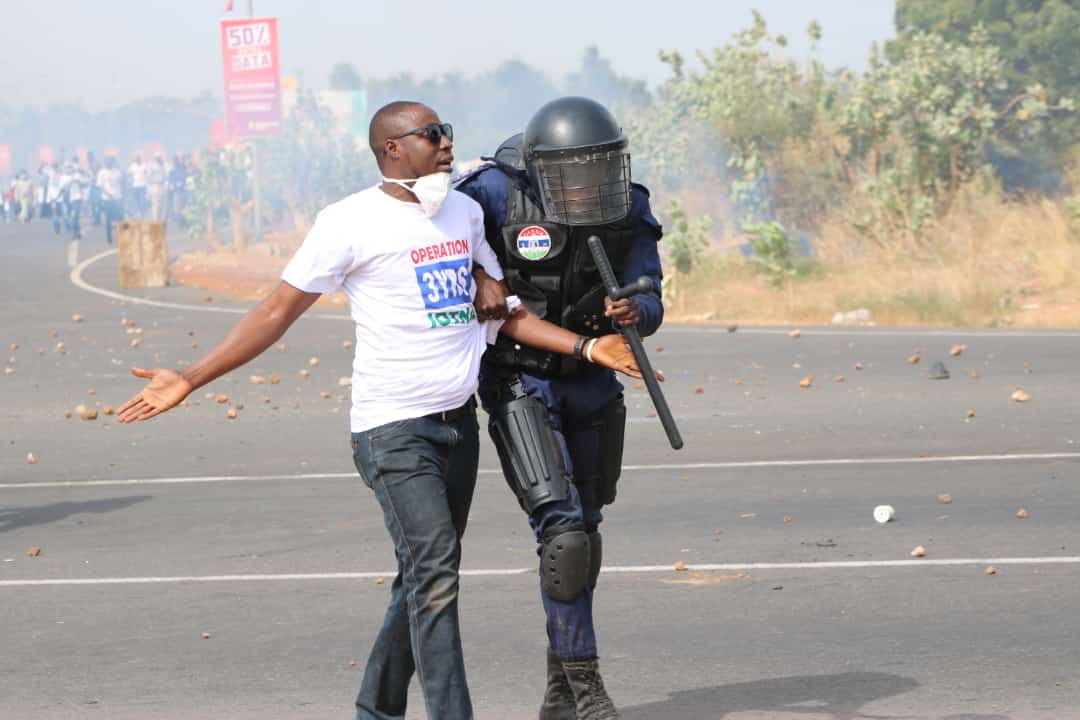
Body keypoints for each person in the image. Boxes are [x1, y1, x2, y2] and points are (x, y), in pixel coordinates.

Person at [115, 100, 648, 720]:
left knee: (421, 579)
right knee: (438, 576)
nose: (447, 143)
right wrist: (191, 376)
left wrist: (587, 345)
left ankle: (376, 708)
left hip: (457, 428)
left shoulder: (465, 213)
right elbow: (275, 313)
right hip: (392, 431)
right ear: (392, 149)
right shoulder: (349, 222)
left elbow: (506, 317)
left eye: (448, 132)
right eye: (432, 135)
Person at [456, 96, 666, 720]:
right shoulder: (492, 192)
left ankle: (559, 687)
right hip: (522, 378)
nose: (586, 186)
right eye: (572, 173)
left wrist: (636, 312)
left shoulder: (629, 206)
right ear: (540, 169)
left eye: (599, 170)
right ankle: (588, 685)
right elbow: (431, 237)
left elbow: (651, 293)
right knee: (563, 531)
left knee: (588, 529)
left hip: (593, 378)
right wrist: (477, 274)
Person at [96, 157, 124, 245]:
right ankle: (109, 238)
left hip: (117, 198)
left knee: (120, 218)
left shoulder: (117, 172)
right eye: (108, 162)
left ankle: (121, 236)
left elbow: (122, 182)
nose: (109, 163)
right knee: (108, 219)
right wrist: (108, 194)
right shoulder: (102, 172)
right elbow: (100, 186)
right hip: (107, 199)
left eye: (111, 162)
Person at [146, 154, 166, 221]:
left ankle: (159, 220)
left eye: (159, 157)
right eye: (157, 158)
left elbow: (164, 176)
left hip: (161, 187)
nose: (159, 159)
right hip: (155, 187)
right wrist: (156, 181)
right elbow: (148, 178)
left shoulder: (162, 166)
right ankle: (155, 220)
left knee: (161, 205)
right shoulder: (152, 166)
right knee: (155, 205)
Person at [127, 154, 147, 218]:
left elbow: (147, 174)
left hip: (142, 185)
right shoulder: (132, 166)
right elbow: (128, 173)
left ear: (140, 159)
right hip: (135, 185)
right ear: (135, 160)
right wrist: (130, 182)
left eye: (139, 159)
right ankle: (138, 212)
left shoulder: (144, 165)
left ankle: (141, 212)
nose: (138, 160)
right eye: (137, 159)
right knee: (136, 200)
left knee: (142, 200)